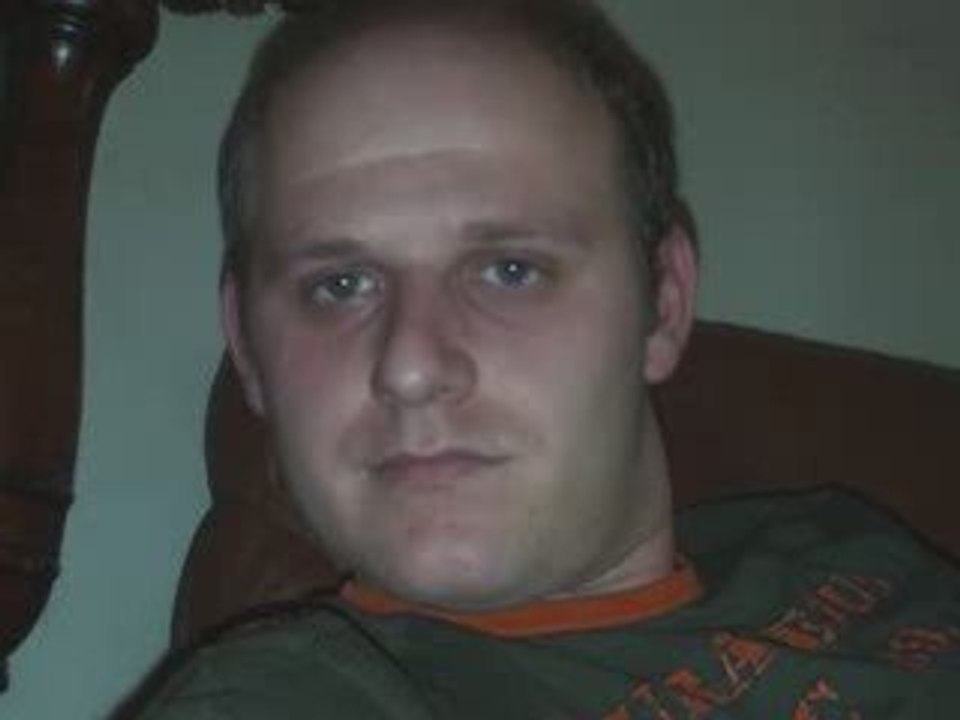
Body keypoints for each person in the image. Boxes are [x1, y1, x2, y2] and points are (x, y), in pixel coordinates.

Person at [129, 0, 960, 716]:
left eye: (510, 270)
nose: (411, 366)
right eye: (339, 285)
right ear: (246, 344)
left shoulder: (840, 542)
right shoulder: (284, 696)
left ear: (664, 303)